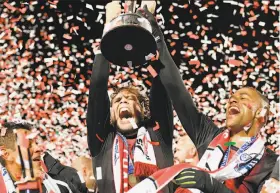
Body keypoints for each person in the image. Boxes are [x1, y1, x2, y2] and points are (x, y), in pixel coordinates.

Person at [129, 4, 279, 193]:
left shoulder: (270, 163)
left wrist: (211, 186)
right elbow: (178, 92)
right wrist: (154, 35)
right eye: (232, 97)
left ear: (261, 114)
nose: (233, 100)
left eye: (243, 98)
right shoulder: (209, 135)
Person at [87, 1, 174, 193]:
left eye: (130, 99)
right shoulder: (102, 141)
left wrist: (149, 28)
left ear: (144, 109)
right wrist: (108, 25)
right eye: (117, 100)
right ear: (111, 113)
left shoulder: (158, 132)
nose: (123, 101)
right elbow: (97, 91)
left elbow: (162, 83)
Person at [0, 120, 83, 193]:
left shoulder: (62, 183)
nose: (38, 148)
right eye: (28, 144)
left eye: (36, 143)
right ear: (6, 154)